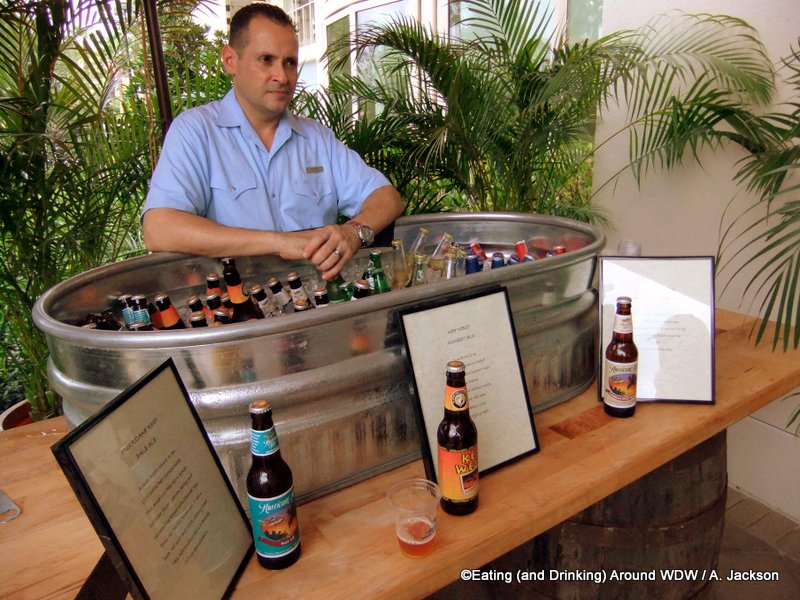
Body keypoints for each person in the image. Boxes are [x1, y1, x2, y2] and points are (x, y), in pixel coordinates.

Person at [142, 2, 404, 280]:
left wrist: (354, 232)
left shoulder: (316, 138)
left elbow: (386, 198)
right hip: (241, 300)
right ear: (230, 60)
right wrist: (279, 242)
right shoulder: (197, 132)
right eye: (266, 59)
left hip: (320, 296)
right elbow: (159, 228)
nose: (282, 76)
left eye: (289, 62)